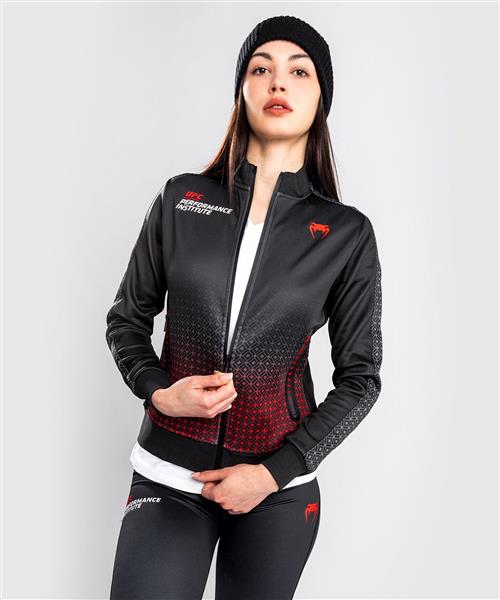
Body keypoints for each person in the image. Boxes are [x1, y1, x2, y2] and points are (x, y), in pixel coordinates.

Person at [105, 14, 383, 600]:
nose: (278, 82)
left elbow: (361, 380)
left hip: (277, 492)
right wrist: (159, 391)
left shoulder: (346, 234)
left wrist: (272, 472)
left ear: (321, 100)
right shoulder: (182, 199)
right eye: (261, 69)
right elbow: (126, 319)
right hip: (168, 475)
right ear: (242, 91)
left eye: (299, 72)